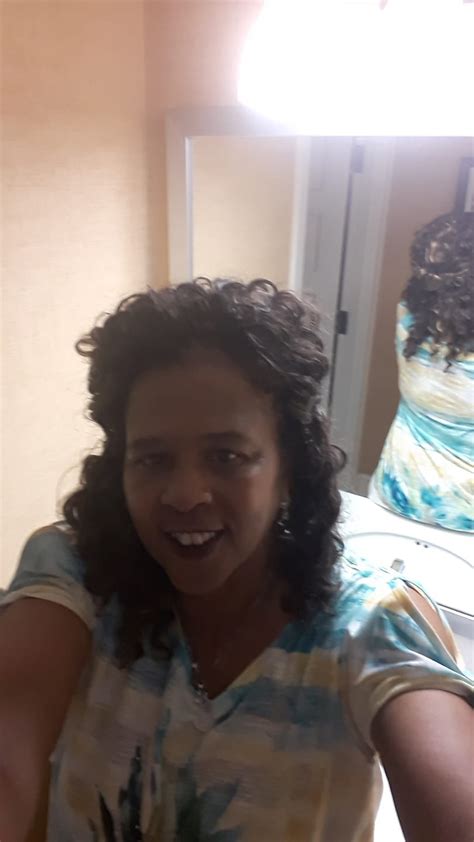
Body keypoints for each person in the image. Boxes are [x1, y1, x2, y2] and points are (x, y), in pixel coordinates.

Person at [0, 279, 472, 842]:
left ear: (288, 469)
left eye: (226, 456)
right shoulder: (76, 575)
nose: (185, 494)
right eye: (152, 459)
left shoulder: (372, 625)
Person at [370, 212, 474, 531]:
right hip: (400, 497)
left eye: (440, 271)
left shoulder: (410, 319)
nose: (427, 278)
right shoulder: (410, 320)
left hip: (450, 514)